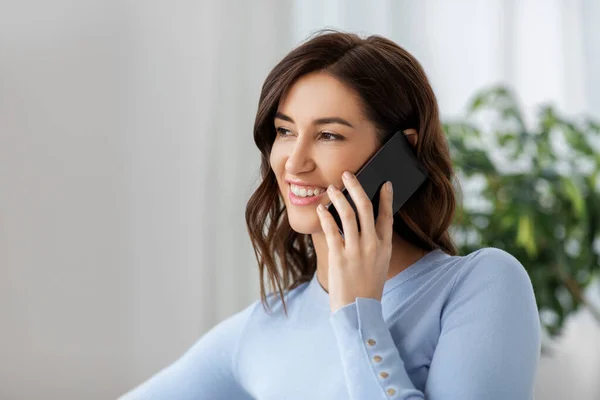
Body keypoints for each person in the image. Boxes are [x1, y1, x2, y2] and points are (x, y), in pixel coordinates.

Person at [119, 30, 541, 400]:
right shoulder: (263, 329)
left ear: (401, 151)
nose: (293, 162)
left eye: (328, 135)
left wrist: (359, 313)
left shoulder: (482, 285)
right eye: (285, 131)